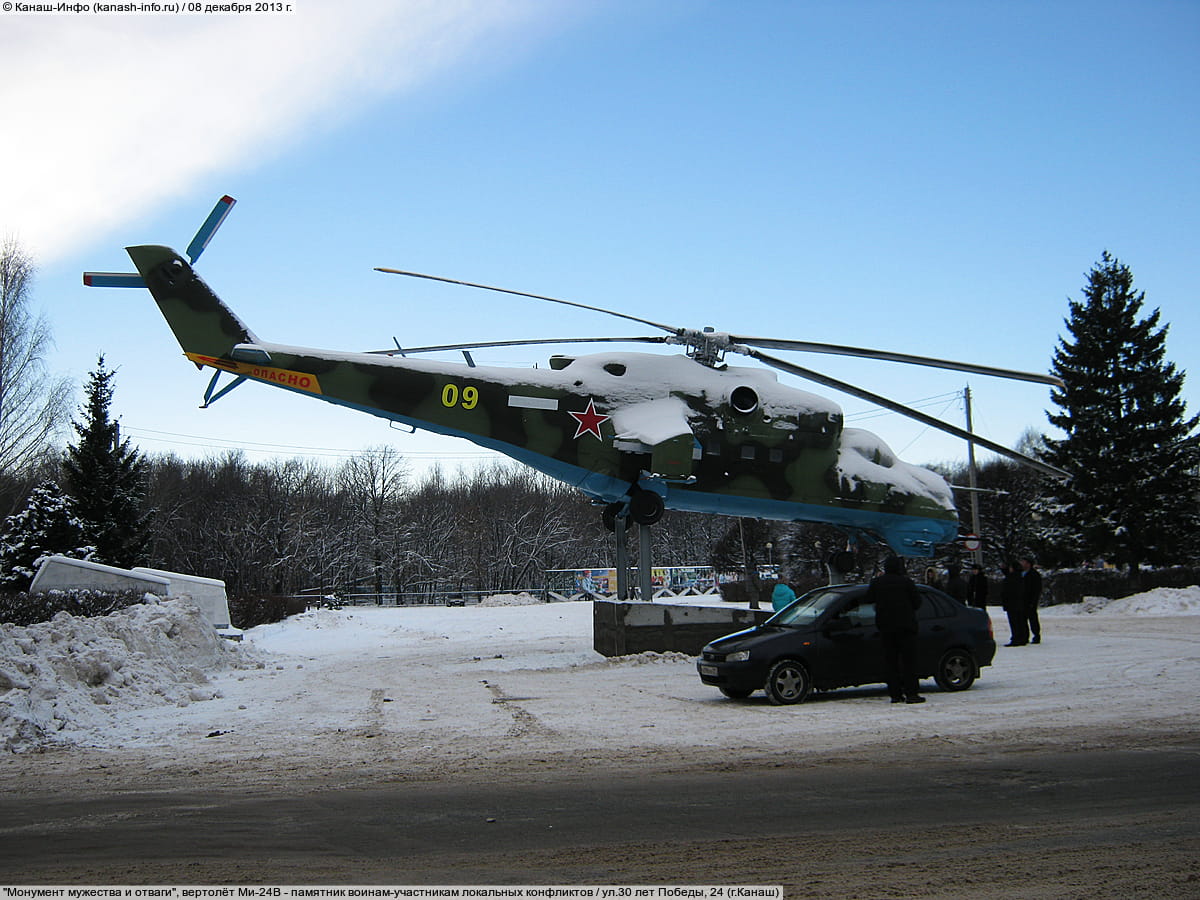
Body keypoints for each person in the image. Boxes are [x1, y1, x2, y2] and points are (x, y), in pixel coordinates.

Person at [866, 556, 925, 704]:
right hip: (906, 627)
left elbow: (868, 599)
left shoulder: (877, 583)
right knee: (909, 662)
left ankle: (895, 694)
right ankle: (911, 693)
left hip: (886, 627)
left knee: (890, 662)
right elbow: (917, 603)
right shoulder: (906, 582)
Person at [1001, 561, 1027, 646]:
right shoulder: (1020, 577)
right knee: (1020, 621)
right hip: (1019, 603)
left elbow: (1008, 590)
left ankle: (1016, 638)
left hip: (1012, 603)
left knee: (1014, 622)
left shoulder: (1011, 578)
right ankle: (1021, 638)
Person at [1020, 556, 1043, 644]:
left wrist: (1033, 601)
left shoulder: (1034, 574)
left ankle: (1036, 635)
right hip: (1022, 600)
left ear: (1028, 564)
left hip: (1030, 600)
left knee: (1032, 619)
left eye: (1023, 562)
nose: (1022, 564)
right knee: (1023, 619)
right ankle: (1025, 636)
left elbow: (1037, 589)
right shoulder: (1021, 573)